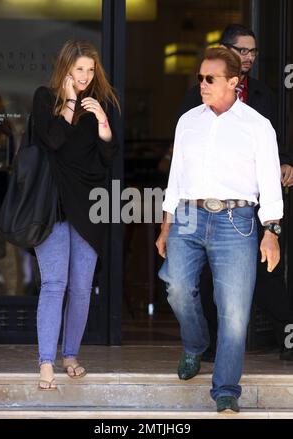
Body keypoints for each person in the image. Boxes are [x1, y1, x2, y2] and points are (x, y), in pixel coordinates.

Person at [156, 47, 283, 413]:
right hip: (188, 215)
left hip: (237, 221)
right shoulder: (188, 121)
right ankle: (195, 345)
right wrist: (165, 226)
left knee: (234, 312)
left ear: (233, 82)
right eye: (199, 78)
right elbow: (175, 177)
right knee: (176, 286)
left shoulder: (257, 126)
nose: (202, 85)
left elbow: (270, 186)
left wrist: (271, 231)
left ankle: (226, 389)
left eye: (209, 79)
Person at [179, 24, 293, 362]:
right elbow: (183, 150)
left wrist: (285, 163)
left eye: (252, 52)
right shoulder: (195, 95)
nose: (248, 58)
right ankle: (209, 344)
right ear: (224, 51)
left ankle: (286, 332)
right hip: (207, 205)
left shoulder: (262, 96)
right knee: (204, 276)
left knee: (266, 267)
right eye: (241, 51)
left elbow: (274, 141)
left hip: (252, 202)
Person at [32, 40, 120, 390]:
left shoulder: (100, 103)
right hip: (52, 205)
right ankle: (46, 363)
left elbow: (108, 155)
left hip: (89, 207)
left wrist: (100, 117)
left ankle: (70, 355)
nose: (85, 76)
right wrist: (68, 101)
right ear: (66, 68)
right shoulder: (44, 98)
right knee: (55, 284)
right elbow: (53, 140)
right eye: (79, 69)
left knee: (81, 288)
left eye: (90, 70)